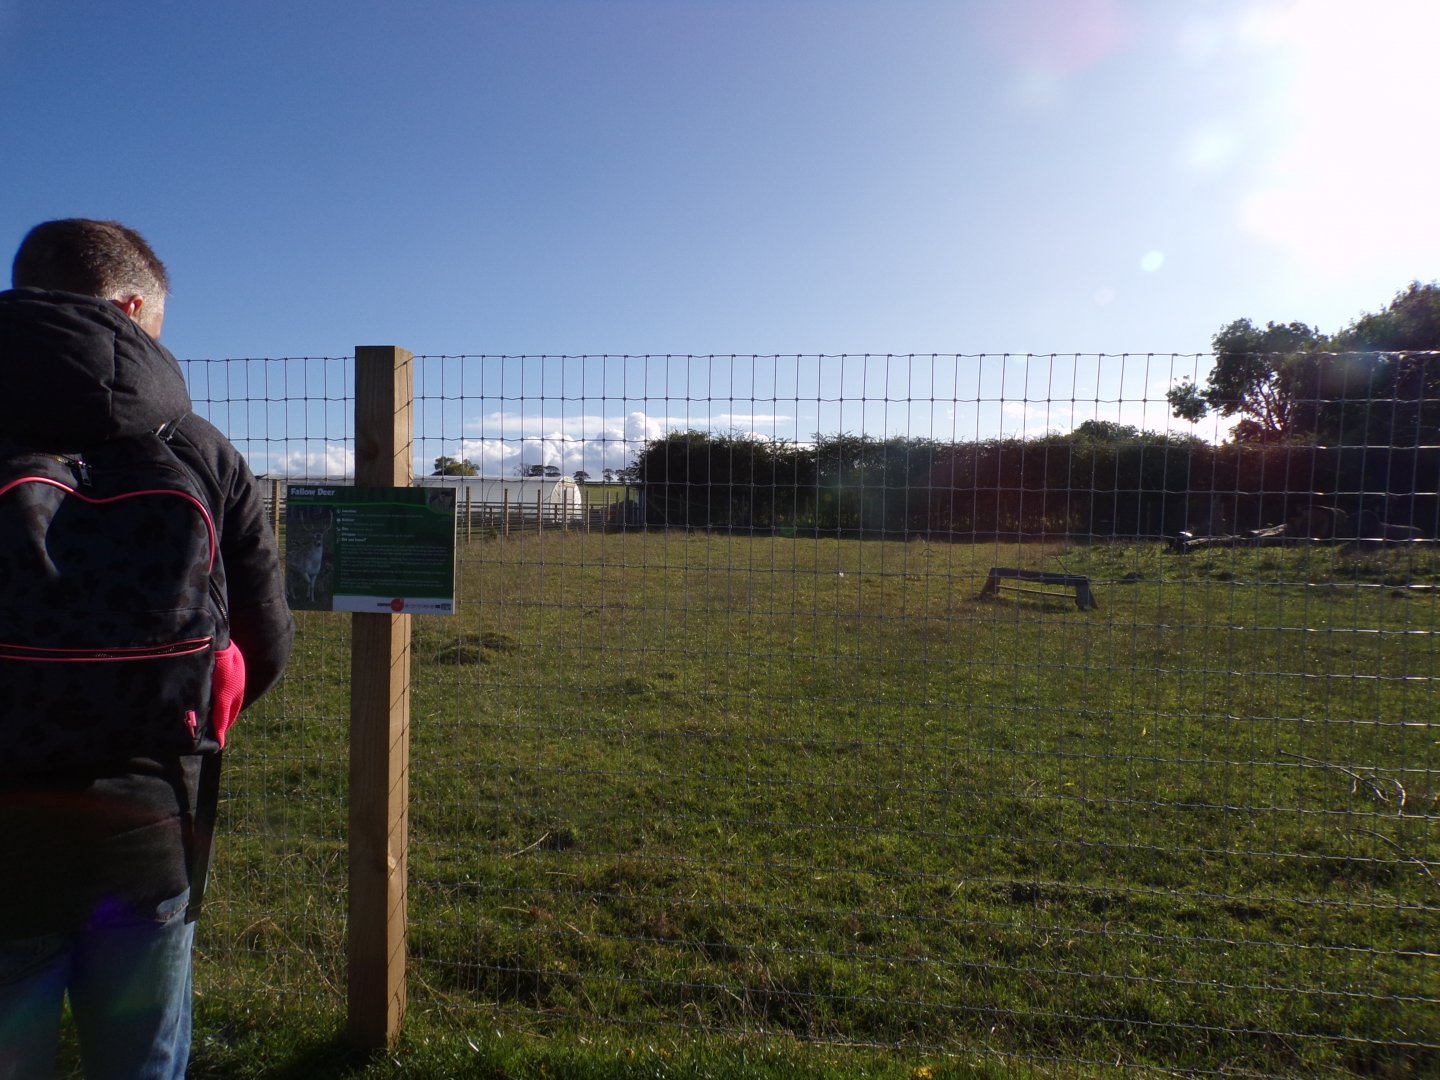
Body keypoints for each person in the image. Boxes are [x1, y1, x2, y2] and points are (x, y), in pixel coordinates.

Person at [0, 220, 294, 1078]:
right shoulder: (200, 451)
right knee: (140, 1062)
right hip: (148, 826)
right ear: (132, 308)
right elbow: (264, 646)